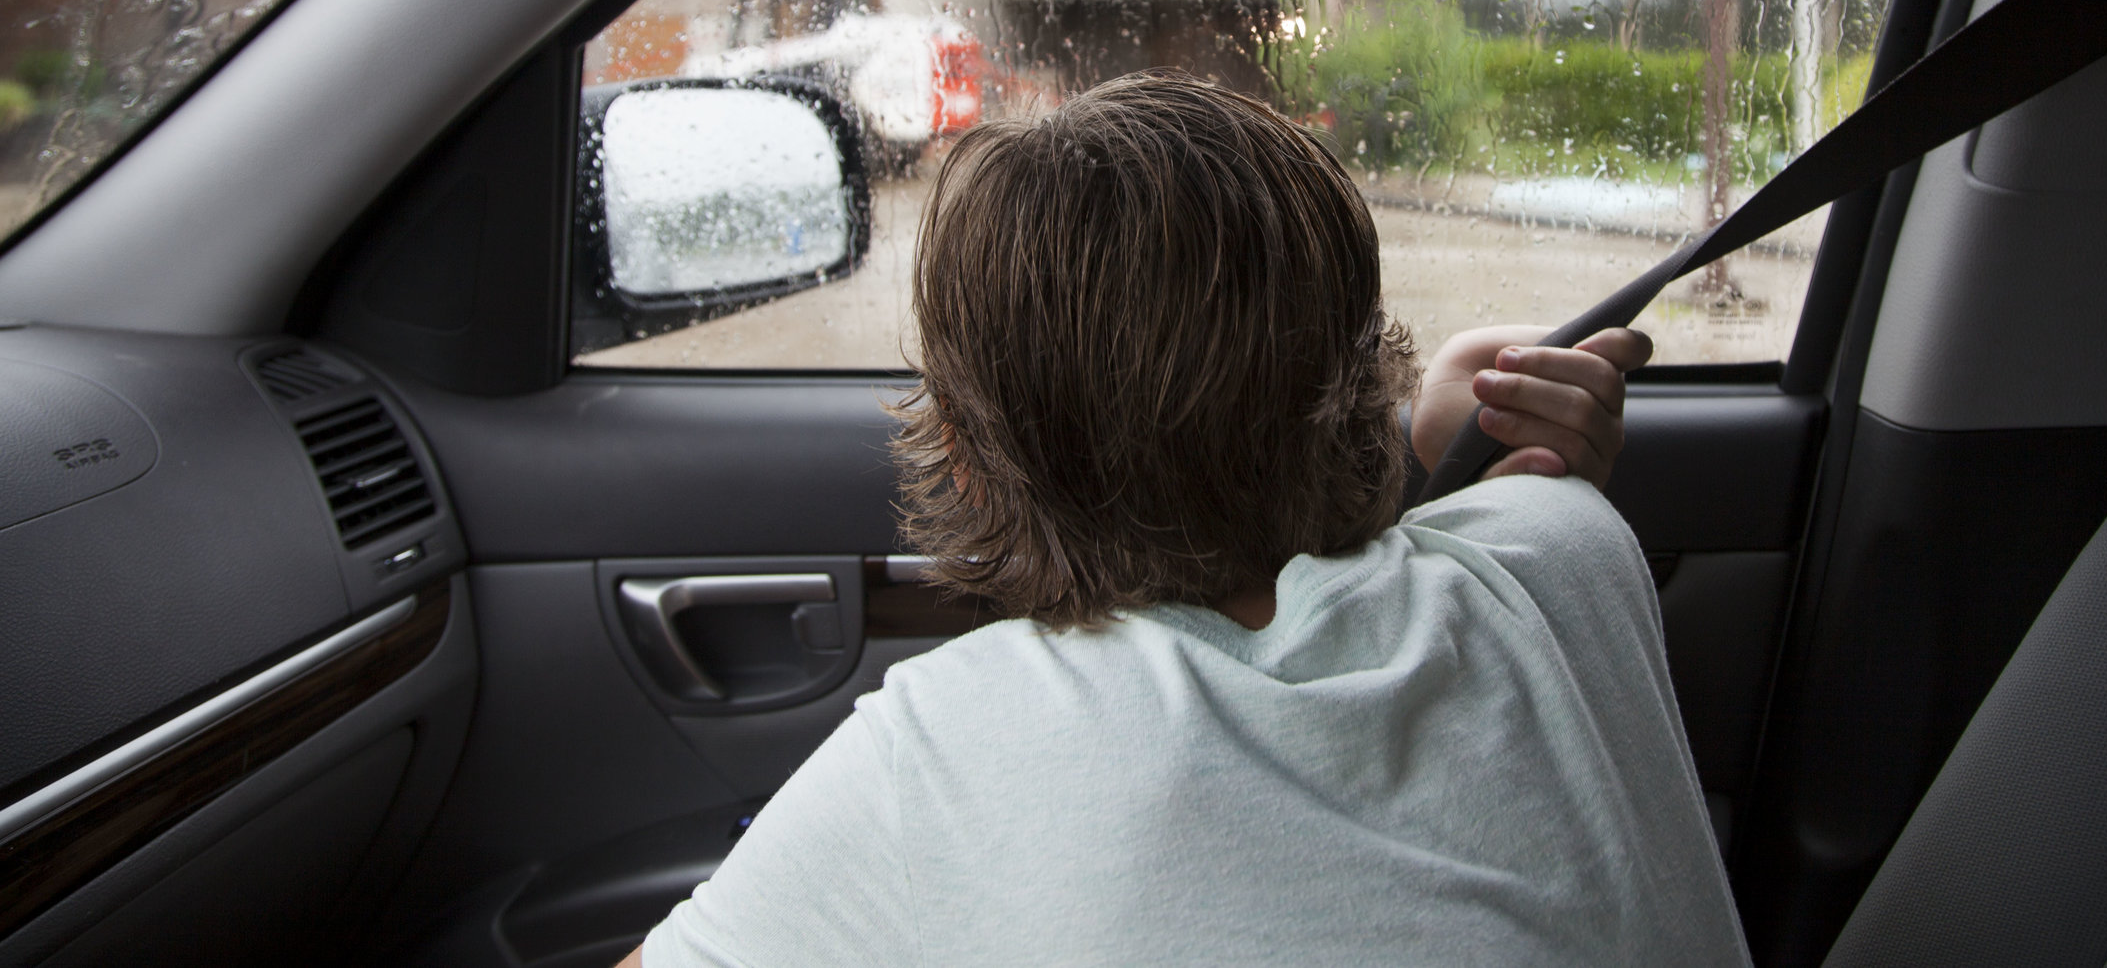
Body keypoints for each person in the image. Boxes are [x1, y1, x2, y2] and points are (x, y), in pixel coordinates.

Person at [627, 73, 1750, 968]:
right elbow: (1500, 509)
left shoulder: (939, 749)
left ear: (967, 459)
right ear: (1364, 392)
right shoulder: (1562, 556)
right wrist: (1443, 442)